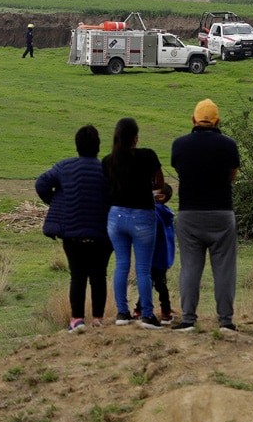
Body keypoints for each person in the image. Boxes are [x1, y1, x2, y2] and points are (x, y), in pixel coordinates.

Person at [170, 99, 240, 333]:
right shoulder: (229, 145)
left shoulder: (179, 145)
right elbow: (232, 176)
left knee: (190, 267)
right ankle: (226, 321)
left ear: (193, 120)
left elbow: (181, 170)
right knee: (224, 269)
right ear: (217, 121)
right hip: (222, 213)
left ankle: (188, 319)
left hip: (189, 215)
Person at [35, 125, 112, 333]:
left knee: (77, 276)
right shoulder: (106, 168)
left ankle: (76, 320)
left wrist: (57, 203)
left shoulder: (64, 167)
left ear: (77, 146)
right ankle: (97, 318)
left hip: (72, 233)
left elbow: (41, 184)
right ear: (98, 146)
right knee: (99, 276)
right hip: (102, 234)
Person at [103, 117, 165, 329]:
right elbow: (160, 183)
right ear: (136, 138)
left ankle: (122, 313)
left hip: (116, 216)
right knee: (143, 269)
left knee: (121, 264)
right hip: (143, 216)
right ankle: (147, 315)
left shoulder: (108, 160)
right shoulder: (148, 155)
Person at [132, 183, 176, 324]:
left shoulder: (155, 211)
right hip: (164, 255)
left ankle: (146, 310)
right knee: (158, 283)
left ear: (162, 197)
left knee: (152, 283)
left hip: (152, 255)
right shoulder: (166, 212)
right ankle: (165, 312)